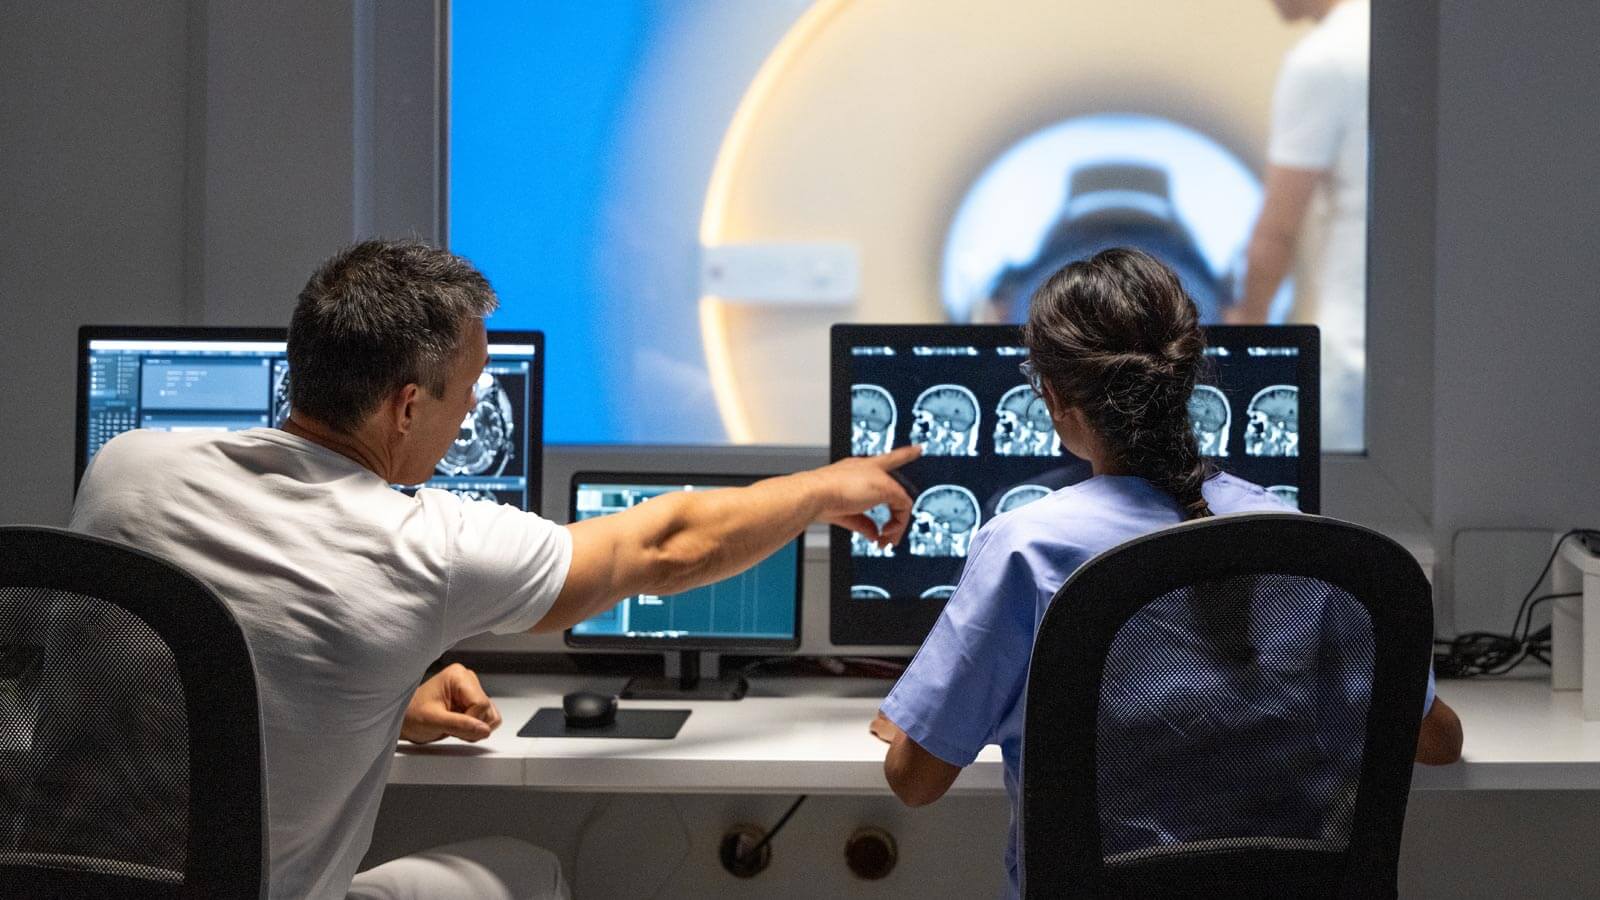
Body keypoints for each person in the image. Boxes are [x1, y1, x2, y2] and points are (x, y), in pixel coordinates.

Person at [69, 239, 920, 900]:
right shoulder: (424, 548)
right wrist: (819, 489)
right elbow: (665, 547)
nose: (473, 410)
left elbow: (201, 667)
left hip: (67, 884)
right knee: (524, 867)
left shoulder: (127, 468)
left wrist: (384, 699)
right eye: (470, 393)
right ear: (408, 404)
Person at [871, 248, 1462, 898]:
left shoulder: (1025, 548)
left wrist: (922, 715)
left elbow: (915, 781)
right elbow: (1439, 744)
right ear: (1188, 378)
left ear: (1054, 396)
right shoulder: (1299, 544)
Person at [1227, 0, 1370, 453]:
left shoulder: (1323, 60)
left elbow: (1276, 234)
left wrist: (1246, 328)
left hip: (1352, 350)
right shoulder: (1393, 42)